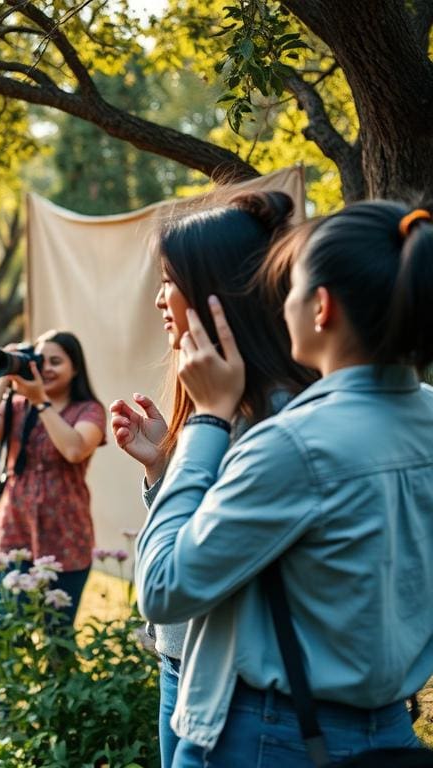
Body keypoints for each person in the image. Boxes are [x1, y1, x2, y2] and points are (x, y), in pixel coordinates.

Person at [135, 201, 433, 767]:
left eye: (290, 285)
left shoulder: (294, 442)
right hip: (390, 725)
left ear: (320, 307)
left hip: (274, 733)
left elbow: (164, 588)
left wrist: (206, 420)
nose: (278, 300)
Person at [109, 191, 314, 767]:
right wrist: (160, 468)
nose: (157, 300)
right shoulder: (223, 405)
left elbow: (172, 580)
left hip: (240, 695)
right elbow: (197, 542)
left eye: (169, 281)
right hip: (183, 662)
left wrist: (203, 424)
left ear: (215, 294)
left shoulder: (273, 420)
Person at [0, 331, 107, 721]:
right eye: (40, 359)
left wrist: (41, 401)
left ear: (76, 367)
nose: (46, 367)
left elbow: (75, 448)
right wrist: (4, 379)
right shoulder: (16, 405)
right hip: (12, 535)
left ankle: (58, 718)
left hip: (66, 538)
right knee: (0, 633)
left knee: (57, 637)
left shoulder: (88, 410)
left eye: (57, 361)